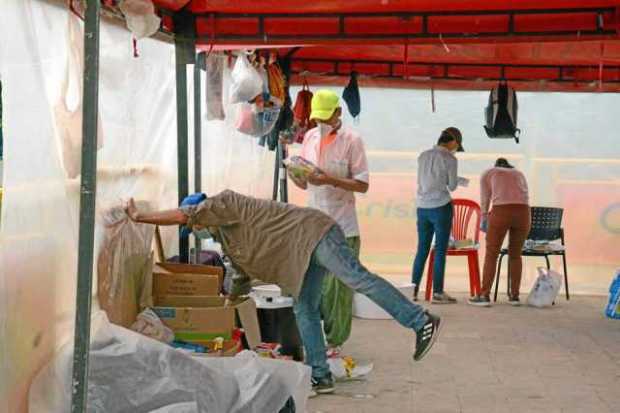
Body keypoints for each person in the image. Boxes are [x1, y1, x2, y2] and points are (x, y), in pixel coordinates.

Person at [125, 190, 442, 396]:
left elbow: (188, 215)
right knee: (303, 308)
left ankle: (420, 320)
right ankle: (320, 375)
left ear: (201, 214)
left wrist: (140, 217)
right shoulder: (229, 242)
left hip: (316, 234)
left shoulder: (226, 203)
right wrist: (221, 309)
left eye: (196, 225)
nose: (197, 230)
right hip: (301, 256)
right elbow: (239, 280)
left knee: (358, 279)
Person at [288, 89, 369, 356]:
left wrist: (330, 180)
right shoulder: (310, 137)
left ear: (338, 113)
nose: (322, 124)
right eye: (318, 119)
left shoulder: (351, 141)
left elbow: (362, 184)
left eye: (327, 117)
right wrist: (296, 174)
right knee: (313, 286)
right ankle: (316, 342)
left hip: (342, 225)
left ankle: (335, 342)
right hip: (314, 223)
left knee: (338, 289)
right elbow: (304, 181)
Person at [411, 127, 465, 304]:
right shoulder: (450, 158)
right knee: (440, 251)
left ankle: (412, 291)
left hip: (422, 207)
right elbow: (452, 186)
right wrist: (458, 180)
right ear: (453, 142)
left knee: (422, 250)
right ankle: (438, 293)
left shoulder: (423, 155)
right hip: (441, 207)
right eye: (456, 146)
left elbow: (424, 179)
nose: (455, 149)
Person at [469, 158, 531, 307]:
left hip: (501, 211)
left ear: (496, 165)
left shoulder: (489, 173)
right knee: (516, 255)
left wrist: (484, 217)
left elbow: (485, 198)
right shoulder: (519, 173)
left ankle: (484, 295)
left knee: (492, 254)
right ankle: (514, 297)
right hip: (524, 213)